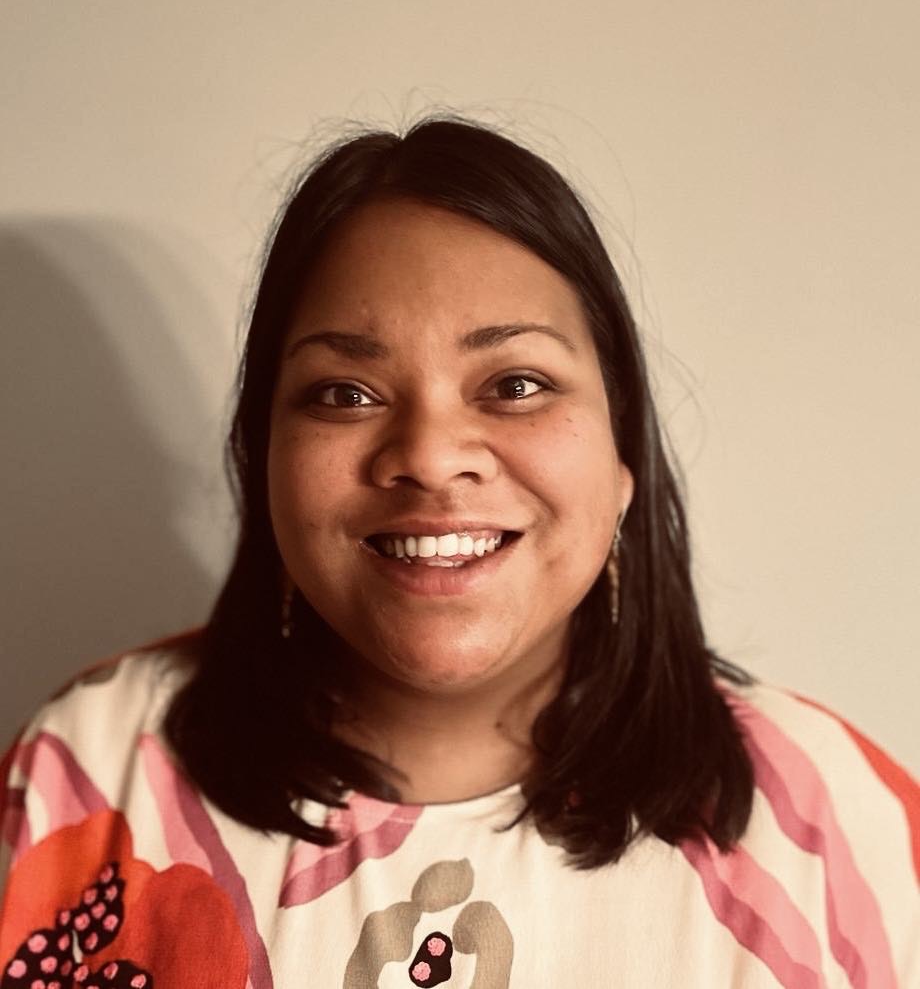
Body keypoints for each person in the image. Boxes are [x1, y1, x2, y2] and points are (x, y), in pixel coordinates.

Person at [1, 116, 916, 988]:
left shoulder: (848, 828)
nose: (432, 457)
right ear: (262, 455)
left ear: (622, 455)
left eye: (515, 384)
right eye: (346, 393)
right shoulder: (85, 766)